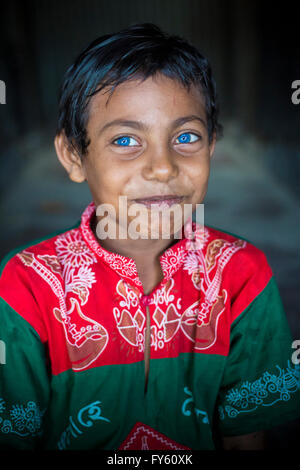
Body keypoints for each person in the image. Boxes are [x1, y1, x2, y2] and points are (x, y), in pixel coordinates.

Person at [0, 23, 299, 451]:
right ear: (73, 156)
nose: (163, 167)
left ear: (212, 145)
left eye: (186, 137)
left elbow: (245, 440)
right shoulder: (24, 286)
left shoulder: (241, 275)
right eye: (125, 140)